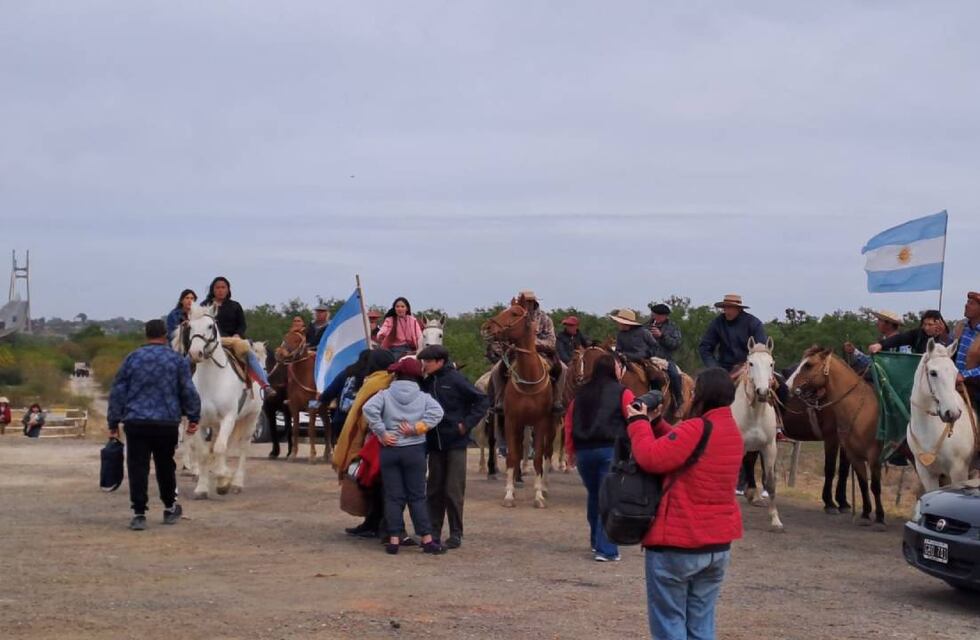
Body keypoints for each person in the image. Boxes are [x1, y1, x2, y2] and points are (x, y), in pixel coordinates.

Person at [626, 367, 744, 639]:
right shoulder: (731, 431)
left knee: (669, 623)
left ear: (702, 394)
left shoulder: (697, 427)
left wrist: (638, 424)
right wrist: (657, 424)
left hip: (679, 545)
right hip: (716, 546)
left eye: (693, 391)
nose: (690, 395)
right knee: (701, 626)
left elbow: (651, 457)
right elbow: (686, 449)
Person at [107, 319, 201, 531]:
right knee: (165, 465)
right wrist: (194, 417)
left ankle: (139, 513)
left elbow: (118, 391)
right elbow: (188, 390)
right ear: (165, 334)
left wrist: (113, 421)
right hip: (166, 422)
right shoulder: (176, 360)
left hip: (136, 421)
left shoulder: (132, 358)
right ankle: (169, 508)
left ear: (146, 334)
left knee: (137, 466)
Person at [362, 357, 446, 555]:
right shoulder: (424, 397)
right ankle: (426, 539)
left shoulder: (385, 394)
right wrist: (418, 428)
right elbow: (438, 413)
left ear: (398, 374)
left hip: (390, 449)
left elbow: (368, 409)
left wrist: (382, 432)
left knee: (393, 497)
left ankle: (393, 539)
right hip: (414, 450)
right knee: (417, 496)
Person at [563, 353, 635, 562]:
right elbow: (634, 421)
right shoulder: (624, 393)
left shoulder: (580, 395)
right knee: (609, 498)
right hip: (609, 450)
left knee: (595, 496)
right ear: (614, 370)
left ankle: (596, 541)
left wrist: (571, 452)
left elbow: (569, 424)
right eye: (619, 367)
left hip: (584, 452)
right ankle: (607, 549)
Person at [418, 345, 489, 550]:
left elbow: (482, 400)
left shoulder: (456, 379)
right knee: (434, 489)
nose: (425, 365)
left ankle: (456, 533)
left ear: (440, 361)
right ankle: (433, 531)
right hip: (434, 443)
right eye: (423, 361)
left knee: (453, 490)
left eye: (428, 361)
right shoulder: (426, 382)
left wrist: (466, 424)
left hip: (455, 443)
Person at [333, 349, 397, 538]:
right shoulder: (383, 381)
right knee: (372, 483)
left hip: (375, 439)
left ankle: (382, 525)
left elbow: (365, 413)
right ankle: (372, 521)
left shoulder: (377, 383)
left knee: (377, 484)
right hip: (380, 438)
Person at [486, 290, 566, 414]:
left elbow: (551, 341)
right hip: (515, 353)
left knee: (564, 369)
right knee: (496, 370)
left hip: (541, 354)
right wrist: (504, 347)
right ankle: (500, 401)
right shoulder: (509, 316)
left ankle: (557, 400)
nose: (527, 304)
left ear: (534, 302)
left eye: (529, 301)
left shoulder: (545, 319)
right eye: (524, 301)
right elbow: (498, 339)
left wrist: (532, 343)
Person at [202, 276, 275, 399]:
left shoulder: (235, 306)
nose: (220, 290)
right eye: (217, 287)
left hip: (233, 340)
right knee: (191, 356)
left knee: (249, 354)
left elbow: (242, 325)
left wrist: (237, 334)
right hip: (211, 340)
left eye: (223, 287)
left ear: (228, 289)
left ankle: (265, 385)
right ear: (212, 290)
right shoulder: (205, 306)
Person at [698, 294, 767, 373]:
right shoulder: (717, 323)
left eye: (730, 307)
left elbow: (762, 349)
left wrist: (749, 365)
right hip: (724, 370)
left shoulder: (754, 323)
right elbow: (705, 347)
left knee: (778, 383)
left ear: (739, 308)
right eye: (725, 307)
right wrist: (714, 368)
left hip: (750, 368)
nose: (726, 311)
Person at [316, 349, 371, 437]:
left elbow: (329, 393)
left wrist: (316, 401)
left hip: (341, 421)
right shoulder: (376, 378)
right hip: (365, 424)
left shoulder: (346, 373)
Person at [611, 308, 661, 386]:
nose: (618, 324)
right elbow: (618, 349)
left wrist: (647, 354)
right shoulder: (620, 334)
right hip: (624, 360)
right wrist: (618, 354)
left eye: (619, 322)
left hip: (642, 360)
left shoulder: (644, 332)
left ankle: (655, 394)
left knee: (654, 376)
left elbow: (654, 346)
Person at [844, 309, 904, 374]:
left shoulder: (902, 344)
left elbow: (872, 364)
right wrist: (854, 351)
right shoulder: (883, 342)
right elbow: (871, 361)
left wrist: (854, 351)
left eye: (880, 320)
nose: (877, 323)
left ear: (889, 324)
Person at [648, 303, 685, 409]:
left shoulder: (673, 327)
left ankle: (678, 400)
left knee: (675, 375)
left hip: (665, 359)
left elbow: (675, 344)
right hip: (648, 358)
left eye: (658, 315)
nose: (655, 317)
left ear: (665, 316)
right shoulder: (646, 326)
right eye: (654, 314)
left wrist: (662, 336)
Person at [867, 310, 949, 355]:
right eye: (924, 324)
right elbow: (900, 338)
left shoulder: (947, 338)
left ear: (939, 324)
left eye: (930, 324)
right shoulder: (917, 334)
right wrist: (880, 344)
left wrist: (943, 336)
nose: (926, 327)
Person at [951, 291, 980, 410]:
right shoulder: (960, 326)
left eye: (971, 303)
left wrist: (965, 375)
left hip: (976, 387)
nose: (966, 305)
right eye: (967, 302)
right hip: (955, 383)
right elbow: (950, 349)